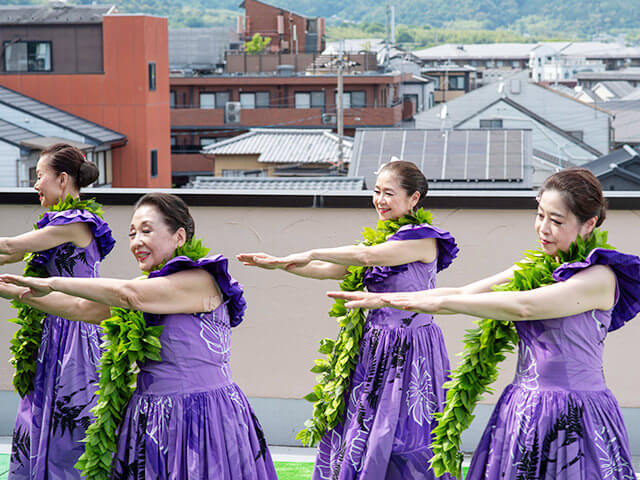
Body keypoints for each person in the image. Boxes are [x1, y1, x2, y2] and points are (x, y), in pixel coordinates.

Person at [330, 168, 639, 479]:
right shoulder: (533, 268)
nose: (543, 228)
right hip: (522, 407)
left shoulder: (599, 278)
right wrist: (389, 300)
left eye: (556, 221)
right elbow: (465, 292)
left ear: (589, 224)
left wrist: (430, 302)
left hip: (576, 413)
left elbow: (524, 307)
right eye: (540, 215)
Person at [1, 192, 277, 479]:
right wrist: (11, 290)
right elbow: (79, 308)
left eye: (146, 230)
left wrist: (50, 281)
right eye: (132, 234)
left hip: (201, 417)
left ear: (179, 236)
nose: (136, 242)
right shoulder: (147, 287)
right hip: (147, 418)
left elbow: (129, 295)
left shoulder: (202, 279)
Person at [237, 160, 459, 479]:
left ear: (414, 198)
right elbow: (330, 270)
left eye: (389, 193)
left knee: (403, 432)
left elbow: (365, 257)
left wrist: (311, 251)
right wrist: (278, 264)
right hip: (374, 344)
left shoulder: (423, 239)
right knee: (363, 424)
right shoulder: (380, 241)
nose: (380, 200)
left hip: (410, 346)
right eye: (377, 191)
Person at [0, 143, 114, 479]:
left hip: (74, 333)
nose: (35, 185)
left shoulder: (76, 223)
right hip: (52, 329)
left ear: (63, 179)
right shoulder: (58, 225)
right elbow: (9, 257)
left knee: (70, 427)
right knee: (39, 417)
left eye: (39, 176)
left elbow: (9, 247)